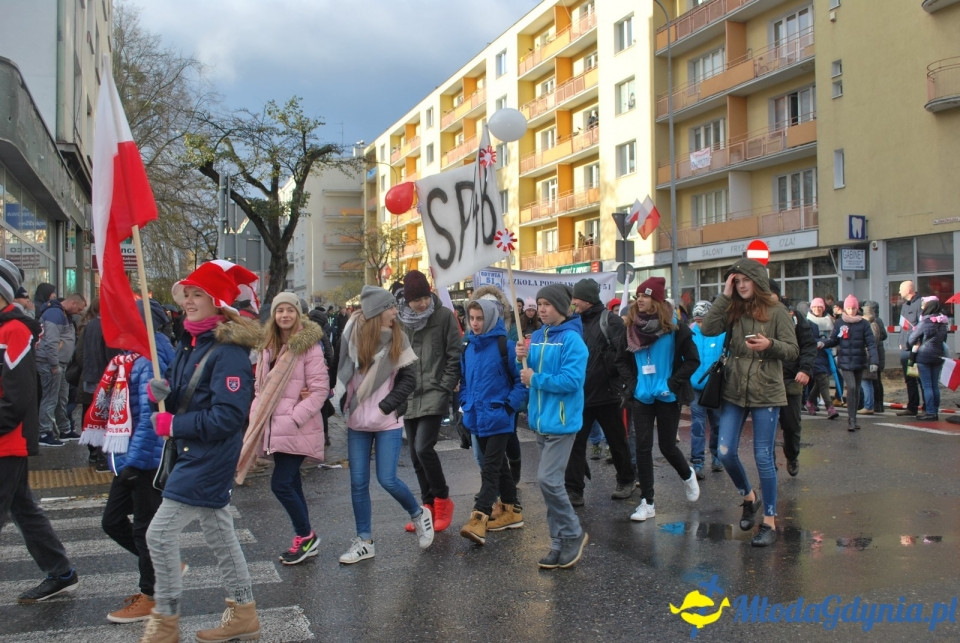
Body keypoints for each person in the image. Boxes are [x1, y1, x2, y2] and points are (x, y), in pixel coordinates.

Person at [141, 261, 262, 642]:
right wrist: (161, 397)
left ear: (217, 302)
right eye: (187, 294)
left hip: (209, 456)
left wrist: (174, 425)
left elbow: (228, 417)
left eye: (198, 295)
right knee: (220, 533)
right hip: (192, 452)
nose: (189, 302)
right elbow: (185, 398)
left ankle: (165, 621)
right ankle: (244, 613)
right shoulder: (189, 342)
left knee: (158, 535)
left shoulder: (230, 353)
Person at [84, 300, 175, 623]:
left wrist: (135, 464)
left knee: (143, 528)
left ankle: (152, 593)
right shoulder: (132, 358)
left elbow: (152, 417)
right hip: (130, 457)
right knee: (112, 522)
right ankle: (163, 568)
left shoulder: (153, 357)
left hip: (145, 459)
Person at [701, 259, 798, 547]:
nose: (741, 285)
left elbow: (792, 350)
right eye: (736, 280)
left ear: (757, 280)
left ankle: (769, 519)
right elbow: (707, 329)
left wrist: (770, 346)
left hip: (766, 390)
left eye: (745, 280)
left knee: (763, 457)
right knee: (725, 451)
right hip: (733, 387)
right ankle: (749, 496)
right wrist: (725, 295)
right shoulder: (733, 309)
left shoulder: (777, 311)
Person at [336, 285, 434, 564]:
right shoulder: (351, 335)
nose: (395, 311)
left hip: (387, 419)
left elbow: (408, 380)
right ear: (378, 310)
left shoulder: (397, 338)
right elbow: (338, 366)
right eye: (391, 306)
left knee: (387, 479)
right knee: (357, 482)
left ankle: (418, 514)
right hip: (357, 420)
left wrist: (385, 405)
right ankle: (364, 541)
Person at [0, 260, 79, 604]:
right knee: (24, 509)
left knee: (19, 509)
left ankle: (61, 573)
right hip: (6, 440)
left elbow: (17, 396)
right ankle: (61, 573)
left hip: (7, 441)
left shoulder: (13, 330)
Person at [244, 293, 329, 565]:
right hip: (272, 425)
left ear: (298, 314)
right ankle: (305, 538)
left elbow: (319, 391)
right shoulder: (267, 345)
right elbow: (260, 386)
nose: (284, 315)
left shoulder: (308, 347)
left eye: (289, 310)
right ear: (274, 316)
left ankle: (306, 536)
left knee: (280, 484)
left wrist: (293, 418)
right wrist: (258, 412)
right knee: (291, 483)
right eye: (279, 310)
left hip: (295, 427)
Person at [515, 284, 590, 569]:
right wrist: (520, 353)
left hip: (561, 422)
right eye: (540, 304)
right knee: (550, 486)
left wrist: (535, 379)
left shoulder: (573, 341)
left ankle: (573, 533)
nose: (542, 309)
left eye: (547, 304)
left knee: (548, 481)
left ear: (562, 306)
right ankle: (558, 544)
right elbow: (525, 371)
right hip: (540, 421)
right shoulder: (541, 336)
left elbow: (572, 381)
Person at [616, 277, 700, 523]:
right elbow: (620, 359)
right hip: (642, 396)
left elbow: (693, 360)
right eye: (638, 296)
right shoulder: (631, 326)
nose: (639, 300)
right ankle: (648, 502)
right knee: (642, 447)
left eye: (645, 296)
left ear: (657, 300)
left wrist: (672, 383)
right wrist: (633, 384)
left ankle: (687, 474)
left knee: (666, 446)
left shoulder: (675, 327)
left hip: (667, 395)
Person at [458, 299, 528, 544]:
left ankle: (480, 516)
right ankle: (512, 509)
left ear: (489, 319)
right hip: (477, 417)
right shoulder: (467, 348)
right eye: (472, 318)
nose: (475, 323)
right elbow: (465, 382)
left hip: (499, 417)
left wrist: (508, 406)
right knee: (499, 468)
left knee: (489, 468)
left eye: (479, 318)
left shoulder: (505, 346)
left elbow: (521, 382)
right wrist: (465, 403)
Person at [397, 270, 460, 533]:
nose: (422, 303)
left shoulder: (443, 315)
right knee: (413, 454)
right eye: (416, 300)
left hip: (434, 390)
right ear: (407, 301)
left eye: (425, 297)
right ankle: (428, 509)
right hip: (409, 393)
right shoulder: (400, 320)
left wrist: (444, 385)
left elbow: (454, 353)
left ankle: (443, 500)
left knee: (424, 448)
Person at [565, 278, 636, 505]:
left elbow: (623, 356)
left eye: (576, 298)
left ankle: (626, 481)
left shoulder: (611, 321)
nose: (573, 301)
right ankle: (574, 490)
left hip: (607, 395)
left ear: (587, 299)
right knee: (575, 443)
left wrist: (623, 386)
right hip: (581, 394)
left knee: (616, 441)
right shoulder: (573, 322)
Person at [769, 284, 817, 477]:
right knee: (767, 426)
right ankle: (768, 464)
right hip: (767, 381)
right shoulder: (758, 314)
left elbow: (808, 345)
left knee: (791, 425)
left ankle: (792, 456)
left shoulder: (795, 317)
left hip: (790, 380)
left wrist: (805, 369)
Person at [820, 295, 879, 432]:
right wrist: (823, 343)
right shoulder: (840, 323)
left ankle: (854, 419)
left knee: (857, 389)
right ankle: (851, 420)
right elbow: (834, 340)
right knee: (851, 387)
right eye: (848, 308)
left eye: (853, 308)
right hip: (845, 361)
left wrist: (874, 360)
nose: (851, 311)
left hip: (859, 360)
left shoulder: (864, 324)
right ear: (844, 309)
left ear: (857, 308)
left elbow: (871, 343)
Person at [36, 292, 87, 445]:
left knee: (61, 398)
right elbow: (51, 341)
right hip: (51, 363)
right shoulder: (55, 314)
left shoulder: (61, 314)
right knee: (51, 398)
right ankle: (44, 433)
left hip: (59, 363)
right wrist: (53, 364)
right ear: (73, 303)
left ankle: (64, 429)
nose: (79, 312)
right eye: (79, 309)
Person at [688, 300, 724, 478]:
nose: (700, 324)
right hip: (696, 388)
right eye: (698, 320)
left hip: (715, 388)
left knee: (717, 424)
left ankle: (717, 457)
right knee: (697, 425)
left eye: (703, 320)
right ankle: (697, 461)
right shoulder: (690, 333)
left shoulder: (721, 334)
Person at [908, 296, 948, 421]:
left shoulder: (924, 322)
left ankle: (930, 412)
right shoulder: (943, 323)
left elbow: (911, 340)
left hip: (924, 356)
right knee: (935, 385)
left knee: (927, 386)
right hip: (938, 355)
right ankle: (935, 411)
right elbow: (944, 339)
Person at [805, 297, 839, 419]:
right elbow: (806, 339)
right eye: (815, 307)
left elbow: (834, 338)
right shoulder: (807, 321)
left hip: (827, 354)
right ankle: (830, 408)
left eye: (820, 307)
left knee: (821, 381)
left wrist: (829, 344)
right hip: (814, 354)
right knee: (823, 379)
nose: (817, 309)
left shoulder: (829, 320)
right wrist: (820, 342)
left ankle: (809, 402)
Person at [896, 280, 924, 417]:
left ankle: (926, 407)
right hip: (905, 350)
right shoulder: (905, 305)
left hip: (915, 350)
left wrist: (916, 345)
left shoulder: (920, 304)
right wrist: (901, 342)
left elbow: (920, 327)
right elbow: (903, 327)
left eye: (901, 289)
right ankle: (912, 407)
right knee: (910, 379)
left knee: (920, 379)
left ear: (908, 290)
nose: (899, 292)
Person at [859, 300, 888, 415]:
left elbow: (875, 339)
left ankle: (872, 404)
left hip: (872, 356)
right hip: (878, 354)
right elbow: (884, 336)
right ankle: (878, 405)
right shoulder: (878, 321)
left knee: (870, 381)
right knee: (876, 381)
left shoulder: (872, 324)